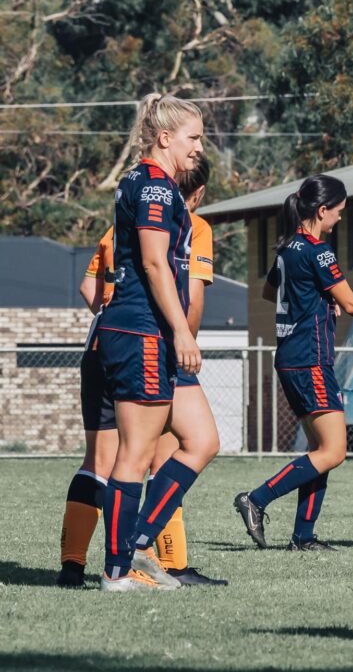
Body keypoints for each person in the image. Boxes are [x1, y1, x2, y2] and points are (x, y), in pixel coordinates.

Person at [57, 154, 226, 588]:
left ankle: (73, 566)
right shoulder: (192, 224)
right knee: (167, 455)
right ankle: (152, 557)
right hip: (151, 342)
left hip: (101, 344)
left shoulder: (121, 224)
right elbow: (191, 294)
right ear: (199, 192)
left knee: (98, 461)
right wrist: (183, 342)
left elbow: (87, 288)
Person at [234, 175, 353, 550]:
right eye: (338, 212)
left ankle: (303, 536)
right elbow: (351, 303)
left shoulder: (287, 248)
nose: (339, 219)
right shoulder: (319, 251)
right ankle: (256, 499)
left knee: (321, 450)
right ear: (321, 211)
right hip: (309, 358)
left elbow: (271, 291)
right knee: (334, 451)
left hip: (291, 357)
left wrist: (314, 300)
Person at [95, 94, 220, 591]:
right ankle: (115, 571)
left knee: (202, 440)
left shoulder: (159, 185)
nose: (199, 146)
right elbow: (152, 263)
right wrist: (182, 329)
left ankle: (141, 543)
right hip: (141, 328)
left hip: (152, 331)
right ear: (165, 138)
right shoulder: (154, 187)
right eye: (193, 137)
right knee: (136, 452)